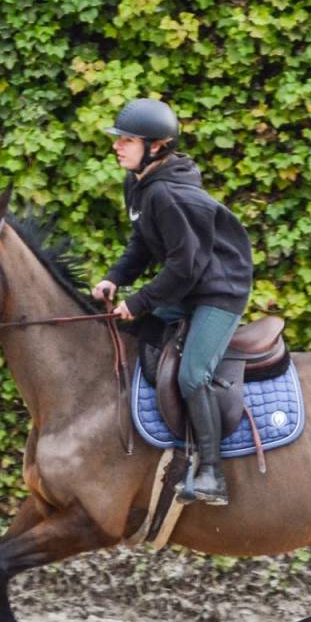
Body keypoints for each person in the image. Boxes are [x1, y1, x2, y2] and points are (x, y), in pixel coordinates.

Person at [92, 98, 254, 506]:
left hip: (218, 290)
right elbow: (142, 245)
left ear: (157, 146)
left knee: (192, 374)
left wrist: (140, 300)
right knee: (130, 333)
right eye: (119, 139)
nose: (118, 146)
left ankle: (213, 474)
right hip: (190, 284)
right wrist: (115, 278)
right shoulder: (140, 184)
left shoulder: (167, 194)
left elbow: (186, 266)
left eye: (127, 140)